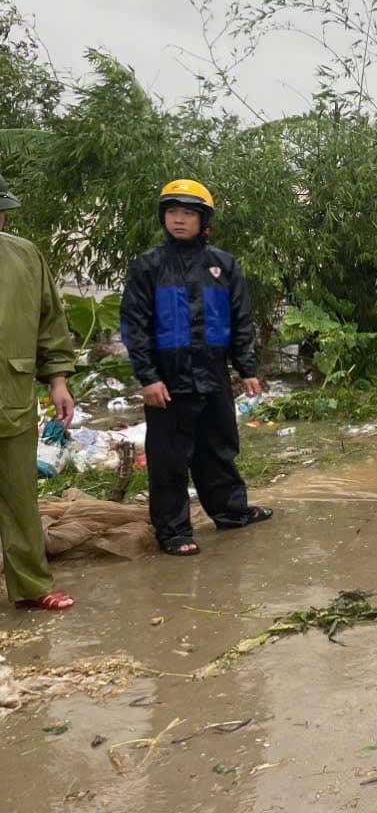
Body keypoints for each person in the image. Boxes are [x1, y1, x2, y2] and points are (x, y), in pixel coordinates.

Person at [120, 180, 273, 557]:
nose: (179, 220)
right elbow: (134, 325)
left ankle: (230, 512)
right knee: (170, 459)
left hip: (213, 375)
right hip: (168, 381)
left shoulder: (223, 265)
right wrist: (148, 377)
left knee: (219, 448)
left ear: (203, 219)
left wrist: (247, 368)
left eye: (188, 213)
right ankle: (173, 532)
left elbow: (242, 320)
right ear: (164, 217)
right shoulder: (148, 266)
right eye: (173, 212)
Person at [0, 175, 77, 610]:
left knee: (19, 497)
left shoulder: (24, 255)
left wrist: (59, 379)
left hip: (11, 394)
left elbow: (50, 322)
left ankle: (31, 586)